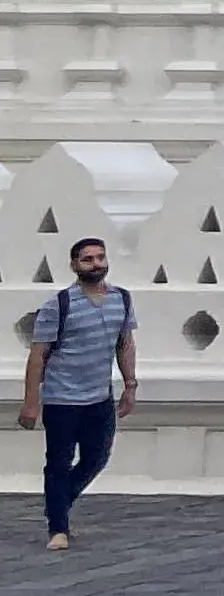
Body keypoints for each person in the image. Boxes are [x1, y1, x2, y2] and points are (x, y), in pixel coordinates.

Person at [19, 235, 138, 550]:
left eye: (100, 257)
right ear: (74, 265)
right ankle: (57, 527)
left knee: (97, 458)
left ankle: (58, 500)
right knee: (58, 462)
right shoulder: (59, 305)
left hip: (99, 398)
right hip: (62, 399)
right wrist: (31, 402)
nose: (96, 264)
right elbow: (38, 355)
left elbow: (125, 344)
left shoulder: (121, 299)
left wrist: (130, 384)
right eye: (87, 259)